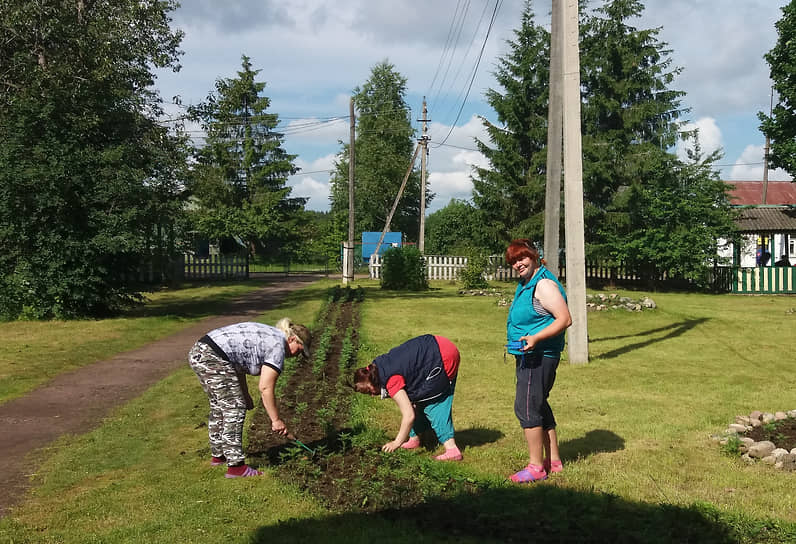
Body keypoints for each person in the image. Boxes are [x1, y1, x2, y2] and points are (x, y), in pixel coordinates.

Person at [188, 318, 311, 478]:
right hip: (212, 356)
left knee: (220, 406)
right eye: (299, 350)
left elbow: (237, 363)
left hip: (201, 352)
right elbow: (265, 387)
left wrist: (245, 394)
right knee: (234, 408)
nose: (297, 356)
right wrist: (276, 420)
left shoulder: (272, 336)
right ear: (292, 339)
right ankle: (236, 468)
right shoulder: (278, 345)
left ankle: (219, 456)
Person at [505, 239, 572, 483]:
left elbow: (564, 319)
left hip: (538, 355)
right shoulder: (527, 282)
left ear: (534, 256)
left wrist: (535, 338)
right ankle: (553, 461)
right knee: (539, 404)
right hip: (528, 353)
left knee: (526, 406)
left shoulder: (543, 284)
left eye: (522, 258)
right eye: (513, 261)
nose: (518, 264)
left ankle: (536, 467)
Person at [352, 334, 463, 461]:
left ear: (372, 381)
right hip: (435, 346)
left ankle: (452, 449)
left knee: (433, 403)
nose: (372, 395)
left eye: (368, 391)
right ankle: (415, 438)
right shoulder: (378, 367)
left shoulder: (390, 380)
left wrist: (396, 442)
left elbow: (409, 415)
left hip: (442, 356)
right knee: (417, 398)